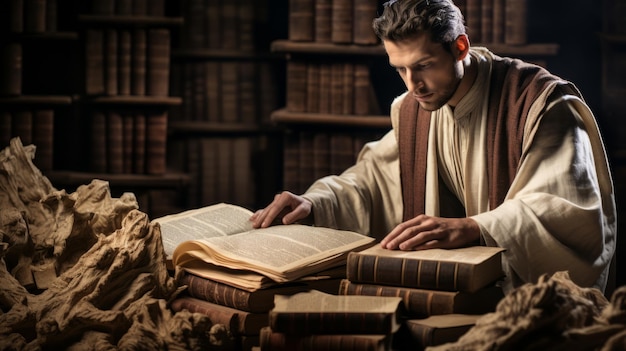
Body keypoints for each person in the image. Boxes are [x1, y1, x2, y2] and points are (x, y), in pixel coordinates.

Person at [251, 0, 616, 294]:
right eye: (400, 69)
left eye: (424, 66)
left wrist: (473, 227)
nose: (414, 84)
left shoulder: (540, 104)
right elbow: (371, 182)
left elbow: (562, 209)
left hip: (528, 304)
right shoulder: (413, 109)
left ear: (460, 47)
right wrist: (315, 202)